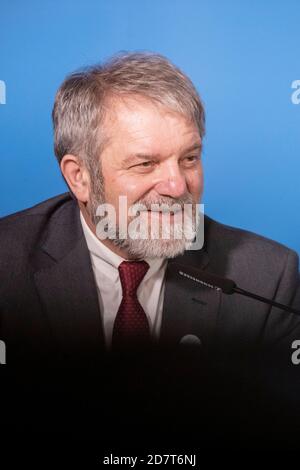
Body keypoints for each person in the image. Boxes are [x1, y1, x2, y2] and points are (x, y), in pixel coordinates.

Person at [1, 52, 300, 447]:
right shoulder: (7, 266)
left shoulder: (267, 277)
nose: (177, 187)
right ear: (81, 178)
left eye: (189, 158)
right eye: (145, 164)